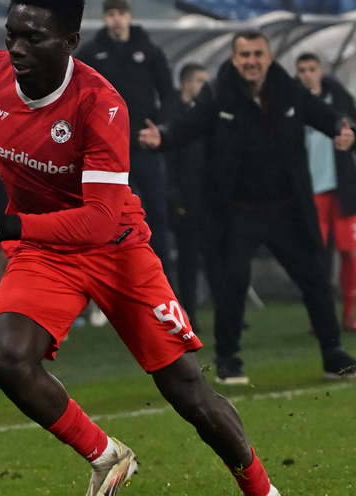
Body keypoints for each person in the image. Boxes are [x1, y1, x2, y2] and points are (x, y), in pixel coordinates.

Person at [0, 0, 308, 496]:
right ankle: (105, 455)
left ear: (70, 43)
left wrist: (6, 223)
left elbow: (100, 219)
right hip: (46, 249)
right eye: (11, 32)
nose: (16, 47)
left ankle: (265, 495)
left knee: (186, 388)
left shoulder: (100, 105)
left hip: (115, 249)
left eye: (32, 37)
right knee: (8, 357)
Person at [140, 31, 356, 385]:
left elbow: (325, 115)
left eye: (258, 54)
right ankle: (228, 360)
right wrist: (161, 137)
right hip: (237, 211)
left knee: (316, 279)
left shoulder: (287, 89)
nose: (251, 61)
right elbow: (189, 126)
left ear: (269, 59)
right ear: (234, 58)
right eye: (245, 55)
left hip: (287, 208)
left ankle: (333, 356)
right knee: (232, 281)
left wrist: (342, 130)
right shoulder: (218, 90)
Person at [75, 0, 175, 269]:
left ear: (130, 15)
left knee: (155, 211)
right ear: (103, 18)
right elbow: (75, 95)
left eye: (120, 12)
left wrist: (161, 128)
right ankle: (112, 275)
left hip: (143, 146)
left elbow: (168, 94)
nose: (115, 19)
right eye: (110, 13)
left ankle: (161, 277)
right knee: (108, 215)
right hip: (107, 150)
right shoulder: (91, 54)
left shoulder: (150, 52)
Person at [295, 53, 356, 331]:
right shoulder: (293, 105)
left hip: (341, 191)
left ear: (321, 71)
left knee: (350, 253)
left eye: (312, 69)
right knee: (315, 257)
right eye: (302, 70)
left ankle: (349, 314)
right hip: (310, 193)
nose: (307, 74)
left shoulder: (340, 101)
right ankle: (318, 316)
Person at [163, 62, 209, 329]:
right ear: (186, 84)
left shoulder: (206, 113)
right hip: (184, 199)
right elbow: (169, 161)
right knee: (187, 258)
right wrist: (175, 197)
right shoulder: (172, 115)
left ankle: (223, 309)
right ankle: (188, 312)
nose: (205, 86)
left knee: (212, 255)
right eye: (200, 81)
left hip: (206, 197)